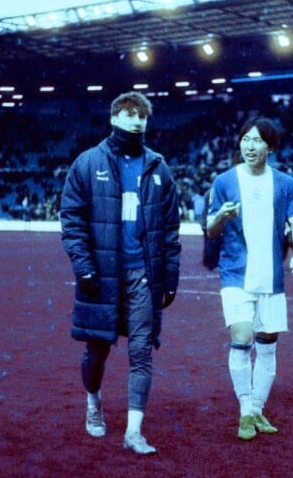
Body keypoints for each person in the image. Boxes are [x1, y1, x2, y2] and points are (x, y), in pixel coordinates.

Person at [59, 91, 181, 455]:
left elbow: (170, 229)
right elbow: (72, 220)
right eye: (129, 115)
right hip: (102, 276)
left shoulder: (158, 167)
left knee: (141, 351)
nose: (136, 122)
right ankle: (93, 401)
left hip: (143, 276)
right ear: (114, 118)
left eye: (141, 116)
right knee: (96, 352)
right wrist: (84, 267)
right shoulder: (86, 163)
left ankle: (133, 432)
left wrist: (170, 276)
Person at [206, 116, 293, 441]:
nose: (249, 146)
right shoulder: (224, 181)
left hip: (271, 277)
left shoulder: (285, 183)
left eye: (257, 141)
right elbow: (210, 230)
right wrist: (220, 216)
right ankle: (245, 411)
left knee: (267, 347)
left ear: (271, 147)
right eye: (245, 140)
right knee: (241, 337)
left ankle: (257, 409)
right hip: (235, 274)